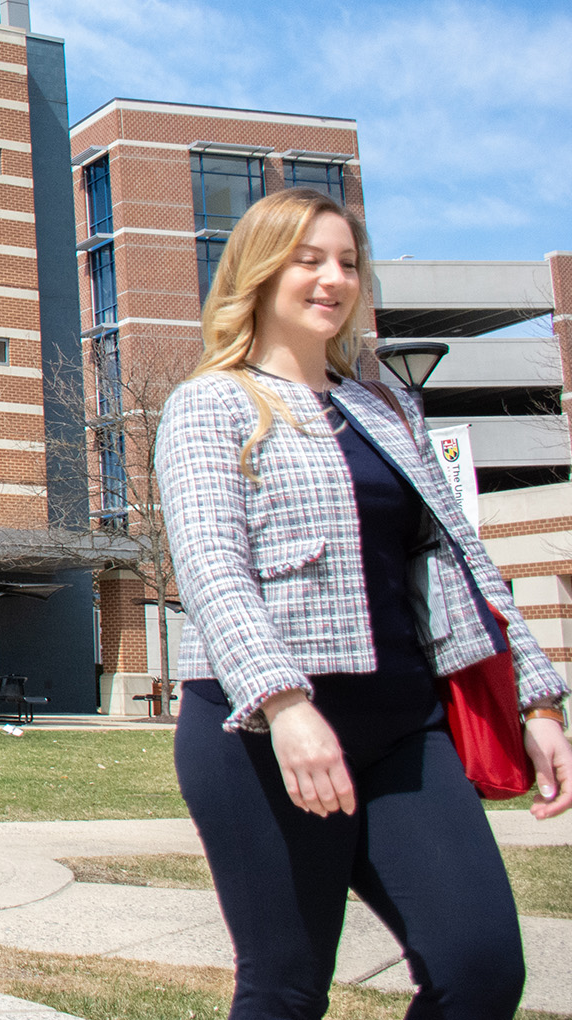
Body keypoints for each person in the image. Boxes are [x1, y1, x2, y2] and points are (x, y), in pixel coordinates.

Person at [155, 187, 571, 1020]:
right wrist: (284, 704)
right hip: (260, 734)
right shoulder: (210, 402)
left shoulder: (386, 406)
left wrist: (537, 700)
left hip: (406, 726)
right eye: (308, 260)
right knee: (285, 988)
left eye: (347, 262)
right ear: (259, 272)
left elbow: (463, 559)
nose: (334, 279)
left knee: (481, 968)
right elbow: (212, 569)